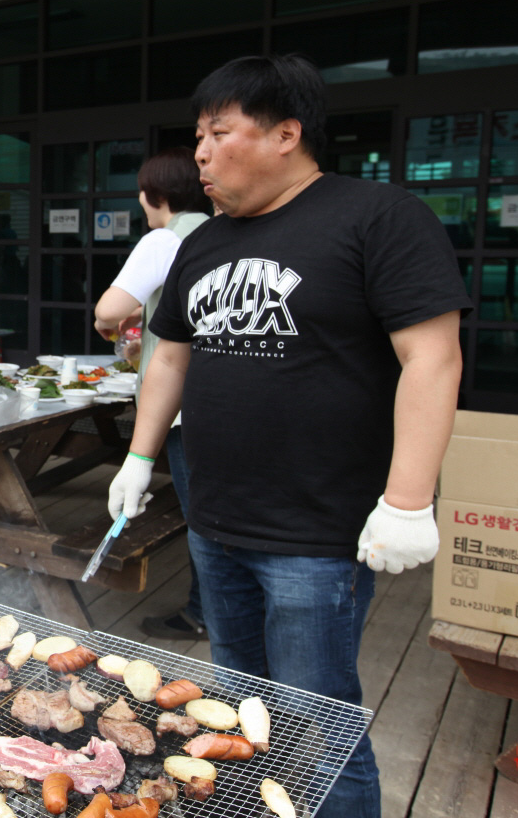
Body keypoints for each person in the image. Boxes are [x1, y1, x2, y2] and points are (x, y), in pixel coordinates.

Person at [108, 54, 470, 818]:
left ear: (285, 134)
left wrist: (408, 500)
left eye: (219, 133)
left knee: (320, 718)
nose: (201, 155)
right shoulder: (204, 242)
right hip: (215, 522)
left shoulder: (378, 217)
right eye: (198, 137)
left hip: (317, 535)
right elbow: (169, 354)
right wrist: (140, 456)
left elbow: (432, 357)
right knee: (238, 705)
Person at [92, 147, 209, 641]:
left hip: (180, 404)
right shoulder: (216, 230)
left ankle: (203, 613)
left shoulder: (165, 238)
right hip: (219, 395)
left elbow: (107, 310)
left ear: (153, 194)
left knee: (199, 516)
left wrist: (114, 317)